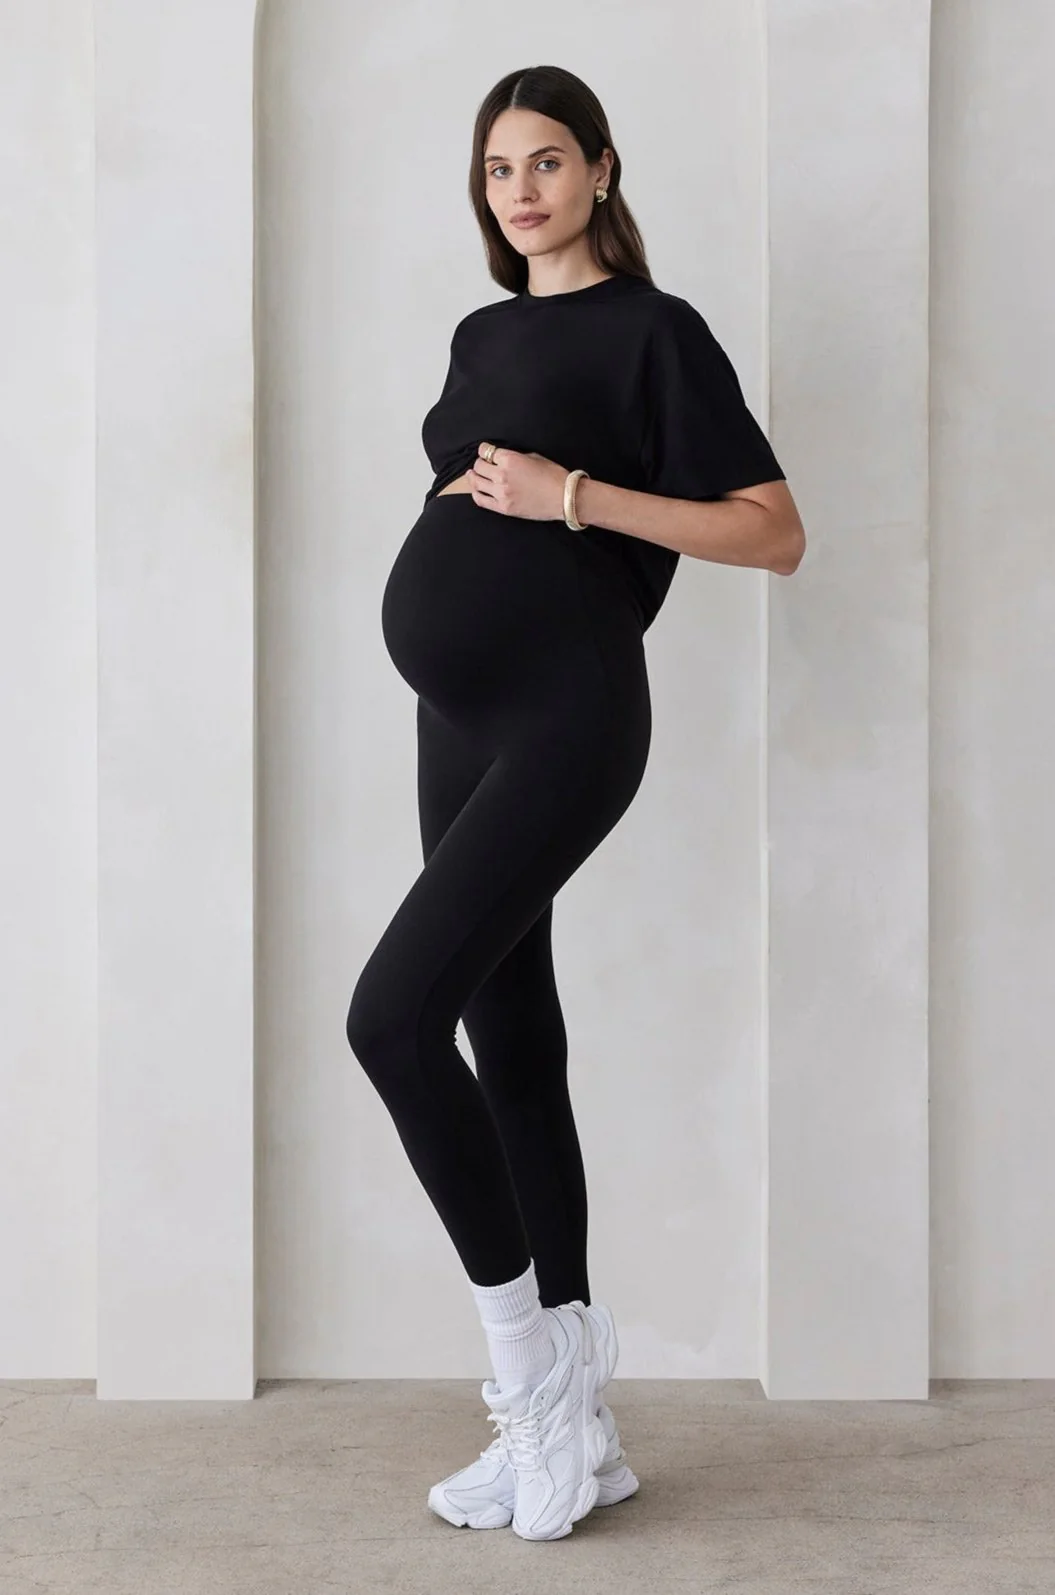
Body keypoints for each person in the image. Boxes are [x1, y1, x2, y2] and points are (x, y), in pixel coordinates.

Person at [345, 64, 805, 1542]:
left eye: (546, 160)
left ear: (602, 170)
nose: (521, 191)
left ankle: (531, 1385)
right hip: (458, 715)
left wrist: (574, 498)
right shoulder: (482, 333)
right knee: (507, 1029)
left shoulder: (655, 332)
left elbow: (772, 533)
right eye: (497, 170)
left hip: (569, 710)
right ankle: (584, 1424)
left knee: (390, 1019)